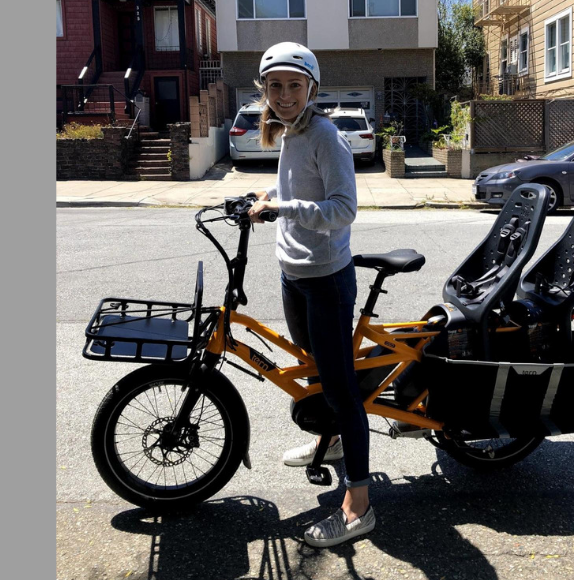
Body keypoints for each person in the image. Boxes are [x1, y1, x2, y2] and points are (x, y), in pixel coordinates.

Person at [246, 42, 375, 548]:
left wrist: (285, 209)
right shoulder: (289, 133)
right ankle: (332, 440)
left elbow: (342, 208)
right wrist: (270, 199)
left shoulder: (325, 135)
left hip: (324, 277)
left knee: (342, 389)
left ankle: (358, 505)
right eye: (274, 86)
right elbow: (304, 193)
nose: (282, 95)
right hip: (293, 272)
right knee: (315, 366)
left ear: (311, 89)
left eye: (293, 85)